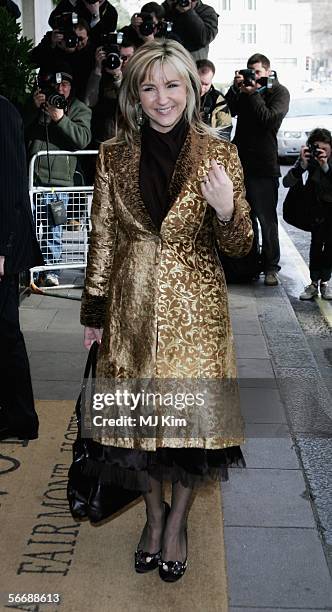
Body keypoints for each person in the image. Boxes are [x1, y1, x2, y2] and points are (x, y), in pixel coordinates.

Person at [80, 39, 253, 581]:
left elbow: (243, 246)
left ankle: (176, 523)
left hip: (195, 315)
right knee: (140, 432)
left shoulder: (219, 153)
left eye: (172, 85)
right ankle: (152, 519)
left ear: (192, 88)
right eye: (149, 87)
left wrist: (226, 210)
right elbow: (103, 237)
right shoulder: (112, 155)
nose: (161, 99)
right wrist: (94, 313)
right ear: (134, 93)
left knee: (186, 434)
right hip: (131, 308)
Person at [225, 53, 290, 286]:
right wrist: (235, 89)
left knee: (267, 220)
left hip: (264, 166)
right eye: (251, 72)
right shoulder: (245, 90)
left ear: (268, 71)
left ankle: (271, 266)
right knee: (246, 218)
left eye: (258, 72)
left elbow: (269, 120)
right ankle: (250, 265)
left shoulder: (278, 92)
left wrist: (253, 95)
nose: (255, 77)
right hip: (241, 164)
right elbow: (228, 112)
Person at [0, 96, 43, 440]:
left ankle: (21, 417)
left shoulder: (2, 111)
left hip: (1, 246)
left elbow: (11, 184)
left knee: (6, 333)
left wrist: (3, 248)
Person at [24, 65, 91, 286]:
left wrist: (60, 119)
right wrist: (33, 108)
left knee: (54, 227)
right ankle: (28, 269)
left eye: (65, 85)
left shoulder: (79, 108)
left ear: (70, 88)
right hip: (33, 178)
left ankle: (52, 270)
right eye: (56, 85)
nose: (60, 90)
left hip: (59, 181)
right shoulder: (37, 105)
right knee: (28, 225)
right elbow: (18, 129)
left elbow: (82, 139)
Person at [283, 128, 332, 301]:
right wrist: (301, 166)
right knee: (316, 244)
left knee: (330, 248)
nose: (320, 153)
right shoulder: (307, 159)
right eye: (317, 149)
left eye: (324, 150)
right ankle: (313, 283)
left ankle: (325, 282)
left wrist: (326, 166)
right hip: (315, 210)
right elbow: (286, 182)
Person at [84, 39, 136, 144]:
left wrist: (118, 77)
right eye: (121, 57)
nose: (124, 61)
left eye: (128, 57)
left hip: (127, 140)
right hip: (103, 140)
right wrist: (98, 69)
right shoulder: (103, 77)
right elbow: (89, 102)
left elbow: (131, 104)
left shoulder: (138, 79)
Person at [30, 18, 95, 102]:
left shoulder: (89, 54)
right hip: (45, 97)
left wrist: (72, 54)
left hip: (73, 103)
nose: (77, 42)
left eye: (81, 39)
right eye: (73, 37)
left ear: (88, 38)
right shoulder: (52, 43)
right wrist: (51, 45)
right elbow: (30, 62)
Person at [48, 0, 118, 44]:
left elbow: (104, 40)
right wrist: (70, 3)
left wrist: (96, 17)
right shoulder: (75, 3)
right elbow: (52, 21)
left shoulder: (111, 12)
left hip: (91, 57)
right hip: (68, 47)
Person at [197, 59, 232, 141]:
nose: (202, 88)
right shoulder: (182, 95)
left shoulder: (218, 100)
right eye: (199, 82)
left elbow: (225, 131)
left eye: (206, 84)